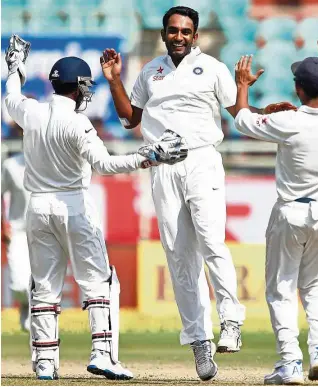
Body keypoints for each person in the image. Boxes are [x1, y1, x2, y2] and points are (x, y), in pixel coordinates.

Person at [100, 5, 296, 381]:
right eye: (173, 30)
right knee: (178, 256)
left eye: (186, 31)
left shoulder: (214, 68)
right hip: (162, 168)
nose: (179, 36)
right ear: (163, 34)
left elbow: (237, 113)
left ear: (195, 34)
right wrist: (113, 81)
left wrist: (262, 111)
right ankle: (199, 341)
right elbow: (129, 120)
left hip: (202, 161)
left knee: (211, 242)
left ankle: (232, 320)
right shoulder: (151, 71)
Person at [4, 34, 187, 381]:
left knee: (44, 287)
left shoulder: (31, 111)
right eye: (85, 86)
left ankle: (45, 362)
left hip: (37, 209)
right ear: (77, 88)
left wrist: (15, 66)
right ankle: (103, 355)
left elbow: (10, 95)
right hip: (74, 206)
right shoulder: (78, 123)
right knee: (99, 284)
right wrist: (151, 155)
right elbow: (106, 166)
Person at [233, 37, 318, 385]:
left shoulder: (290, 121)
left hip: (290, 213)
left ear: (299, 88)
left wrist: (242, 85)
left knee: (281, 289)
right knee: (317, 288)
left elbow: (242, 121)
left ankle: (290, 363)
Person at [1, 124, 31, 332]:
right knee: (19, 285)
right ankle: (25, 305)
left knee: (40, 286)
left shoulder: (50, 166)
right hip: (19, 231)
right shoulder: (11, 165)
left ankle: (40, 328)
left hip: (45, 232)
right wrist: (3, 224)